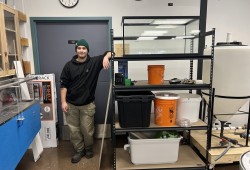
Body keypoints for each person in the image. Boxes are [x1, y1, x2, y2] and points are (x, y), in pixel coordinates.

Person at [60, 39, 112, 163]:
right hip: (71, 104)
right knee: (74, 130)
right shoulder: (68, 66)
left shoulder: (94, 62)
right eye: (79, 48)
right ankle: (79, 150)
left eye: (84, 48)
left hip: (87, 105)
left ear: (87, 50)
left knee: (87, 131)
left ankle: (88, 149)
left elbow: (112, 53)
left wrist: (106, 57)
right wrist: (63, 102)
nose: (81, 50)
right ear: (76, 50)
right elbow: (63, 85)